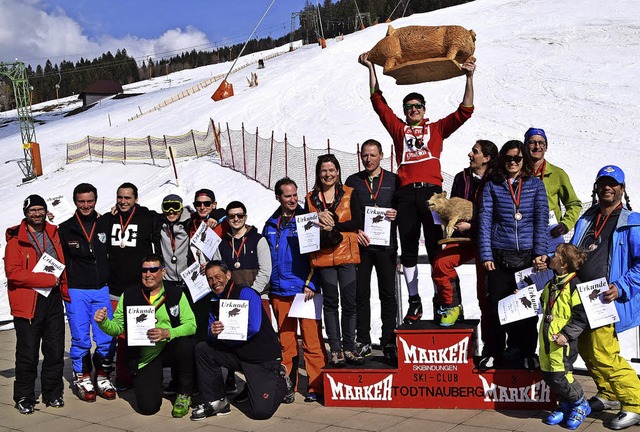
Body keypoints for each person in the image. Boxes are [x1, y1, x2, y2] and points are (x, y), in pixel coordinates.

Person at [358, 51, 475, 324]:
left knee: (437, 249)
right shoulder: (399, 130)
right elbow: (378, 103)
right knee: (408, 250)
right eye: (409, 107)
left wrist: (469, 77)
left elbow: (465, 111)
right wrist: (371, 69)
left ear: (424, 109)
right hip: (406, 194)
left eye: (417, 106)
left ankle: (443, 300)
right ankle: (414, 301)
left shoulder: (436, 129)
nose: (413, 110)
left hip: (432, 195)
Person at [566, 165, 640, 430]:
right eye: (603, 183)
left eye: (613, 183)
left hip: (605, 300)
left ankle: (635, 403)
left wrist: (621, 287)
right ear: (596, 187)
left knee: (604, 352)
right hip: (580, 297)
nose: (607, 187)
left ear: (622, 188)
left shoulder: (632, 222)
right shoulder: (586, 219)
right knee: (587, 350)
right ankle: (608, 393)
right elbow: (574, 252)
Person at [94, 254, 196, 417]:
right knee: (148, 408)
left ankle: (184, 392)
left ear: (163, 272)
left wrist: (168, 332)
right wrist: (103, 322)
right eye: (144, 270)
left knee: (186, 344)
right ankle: (154, 382)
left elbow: (191, 325)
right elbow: (117, 328)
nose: (148, 274)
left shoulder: (176, 293)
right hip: (145, 355)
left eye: (153, 270)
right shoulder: (128, 295)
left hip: (170, 347)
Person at [191, 261, 294, 421]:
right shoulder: (213, 300)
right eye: (210, 279)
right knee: (203, 349)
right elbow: (210, 332)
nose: (214, 282)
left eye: (218, 276)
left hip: (260, 358)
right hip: (238, 353)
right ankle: (216, 400)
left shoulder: (246, 293)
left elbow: (253, 327)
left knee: (261, 412)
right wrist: (213, 332)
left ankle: (281, 381)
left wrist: (228, 335)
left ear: (228, 275)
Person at [477, 140, 549, 370]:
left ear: (523, 160)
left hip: (527, 256)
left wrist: (540, 252)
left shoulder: (535, 185)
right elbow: (485, 221)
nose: (513, 163)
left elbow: (541, 219)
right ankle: (494, 352)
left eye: (517, 158)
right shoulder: (493, 185)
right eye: (508, 158)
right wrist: (486, 254)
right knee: (497, 305)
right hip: (499, 255)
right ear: (502, 160)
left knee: (526, 307)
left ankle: (527, 352)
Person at [263, 177, 327, 403]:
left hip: (304, 290)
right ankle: (287, 385)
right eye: (287, 196)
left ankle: (316, 387)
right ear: (278, 197)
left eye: (295, 194)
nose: (292, 199)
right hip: (280, 292)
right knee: (286, 343)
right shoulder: (271, 224)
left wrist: (312, 282)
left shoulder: (306, 220)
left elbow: (317, 255)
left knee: (312, 341)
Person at [4, 194, 69, 414]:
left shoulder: (53, 233)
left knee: (54, 350)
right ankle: (24, 396)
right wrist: (47, 279)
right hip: (28, 304)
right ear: (26, 213)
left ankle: (52, 393)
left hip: (52, 300)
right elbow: (13, 274)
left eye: (40, 209)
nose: (37, 213)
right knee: (28, 354)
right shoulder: (16, 241)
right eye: (33, 210)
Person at [430, 140, 498, 328]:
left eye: (475, 152)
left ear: (487, 158)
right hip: (463, 239)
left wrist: (472, 226)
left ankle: (490, 348)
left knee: (485, 295)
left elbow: (498, 214)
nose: (470, 154)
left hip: (487, 241)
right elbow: (453, 206)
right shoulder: (462, 177)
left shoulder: (496, 179)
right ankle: (452, 306)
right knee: (441, 264)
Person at [305, 153, 363, 367]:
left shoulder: (350, 193)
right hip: (323, 255)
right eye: (323, 171)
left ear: (338, 171)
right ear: (318, 174)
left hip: (346, 253)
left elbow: (357, 221)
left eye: (331, 170)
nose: (327, 174)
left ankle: (350, 346)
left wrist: (334, 226)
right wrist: (314, 217)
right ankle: (336, 349)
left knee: (349, 303)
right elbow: (304, 226)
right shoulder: (310, 198)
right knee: (330, 303)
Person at [59, 183, 116, 402]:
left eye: (90, 201)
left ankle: (102, 376)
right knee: (81, 338)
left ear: (95, 200)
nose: (86, 205)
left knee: (105, 337)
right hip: (77, 291)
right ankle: (82, 377)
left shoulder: (105, 222)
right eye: (81, 201)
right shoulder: (65, 228)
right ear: (75, 201)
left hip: (101, 289)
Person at [344, 139, 398, 362]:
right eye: (365, 155)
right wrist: (355, 230)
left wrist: (398, 213)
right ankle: (363, 340)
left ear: (381, 156)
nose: (368, 159)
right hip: (362, 246)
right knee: (361, 295)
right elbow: (346, 213)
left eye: (373, 155)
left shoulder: (394, 180)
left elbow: (404, 208)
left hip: (386, 246)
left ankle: (388, 342)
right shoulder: (353, 181)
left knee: (388, 295)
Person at [105, 182, 161, 391]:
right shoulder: (109, 219)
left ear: (136, 199)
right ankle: (122, 377)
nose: (123, 201)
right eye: (120, 197)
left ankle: (146, 374)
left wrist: (217, 215)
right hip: (115, 289)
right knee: (120, 336)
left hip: (140, 288)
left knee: (143, 333)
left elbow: (169, 217)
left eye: (128, 198)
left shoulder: (147, 218)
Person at [215, 200, 272, 394]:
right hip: (232, 303)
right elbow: (218, 273)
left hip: (256, 298)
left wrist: (251, 295)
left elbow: (266, 271)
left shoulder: (259, 239)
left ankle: (256, 384)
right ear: (228, 219)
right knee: (232, 341)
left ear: (245, 217)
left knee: (257, 342)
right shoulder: (222, 244)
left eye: (240, 216)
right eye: (232, 216)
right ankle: (231, 377)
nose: (236, 219)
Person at [539, 244, 589, 430]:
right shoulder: (552, 283)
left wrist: (566, 335)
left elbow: (581, 316)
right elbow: (543, 304)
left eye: (555, 255)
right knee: (548, 374)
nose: (551, 257)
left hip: (562, 343)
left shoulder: (574, 285)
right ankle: (565, 405)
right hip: (546, 340)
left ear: (564, 263)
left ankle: (580, 403)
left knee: (562, 376)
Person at [524, 127, 582, 244]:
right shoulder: (518, 173)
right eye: (532, 142)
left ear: (546, 147)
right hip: (523, 235)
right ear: (525, 146)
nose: (537, 146)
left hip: (549, 237)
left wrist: (565, 225)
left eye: (541, 143)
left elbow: (574, 204)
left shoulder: (557, 174)